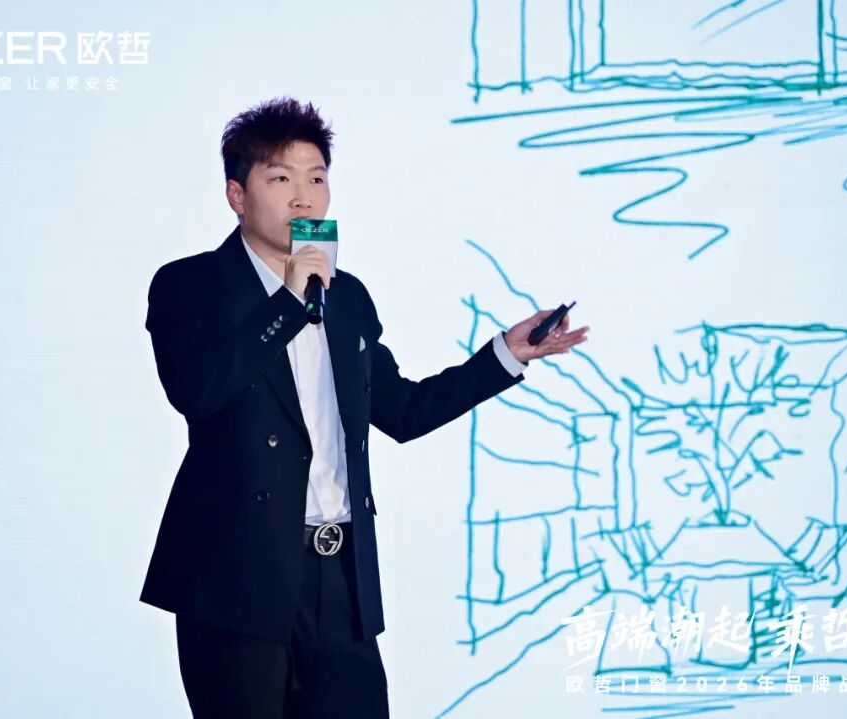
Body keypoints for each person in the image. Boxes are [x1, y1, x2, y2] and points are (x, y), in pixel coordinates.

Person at [139, 96, 589, 718]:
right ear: (237, 196)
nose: (304, 199)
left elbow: (403, 411)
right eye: (281, 180)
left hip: (340, 578)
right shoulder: (189, 286)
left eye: (316, 179)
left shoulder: (345, 297)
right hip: (235, 579)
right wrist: (288, 303)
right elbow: (198, 389)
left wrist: (505, 356)